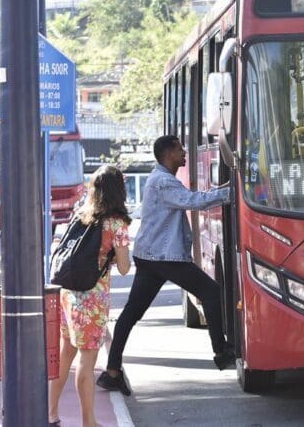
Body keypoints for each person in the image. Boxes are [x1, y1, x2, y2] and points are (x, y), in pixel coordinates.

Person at [96, 135, 233, 397]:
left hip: (151, 256)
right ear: (168, 154)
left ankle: (112, 371)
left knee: (131, 313)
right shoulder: (163, 182)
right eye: (181, 150)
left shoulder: (160, 179)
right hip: (164, 258)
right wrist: (230, 193)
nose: (185, 154)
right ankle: (221, 353)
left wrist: (225, 187)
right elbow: (194, 201)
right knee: (211, 291)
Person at [49, 165, 132, 427]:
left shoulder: (81, 213)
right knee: (87, 360)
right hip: (92, 299)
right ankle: (89, 422)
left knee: (66, 353)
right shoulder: (116, 223)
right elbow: (124, 267)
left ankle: (50, 413)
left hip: (68, 292)